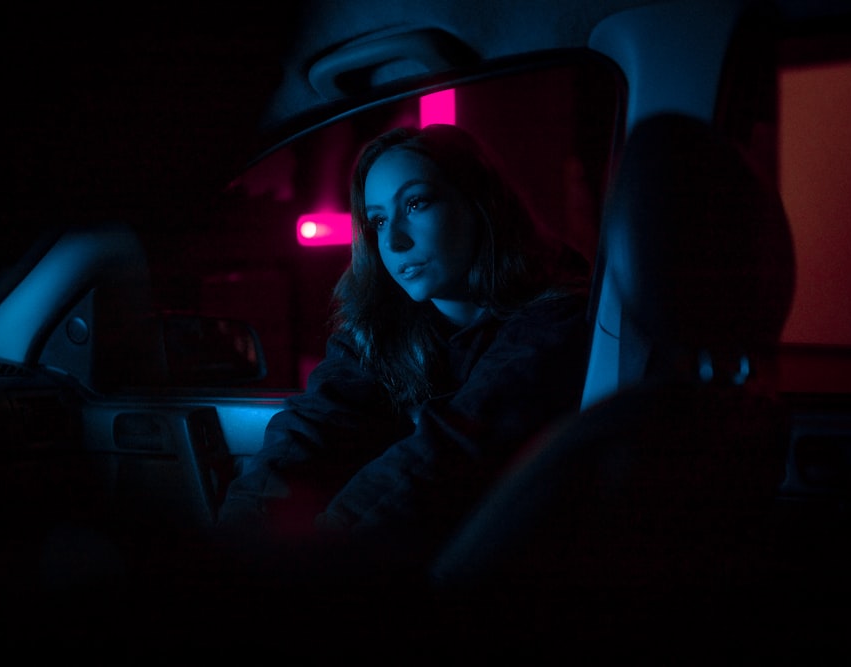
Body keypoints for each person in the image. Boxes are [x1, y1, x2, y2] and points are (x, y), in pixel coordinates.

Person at [216, 123, 591, 569]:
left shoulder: (555, 318)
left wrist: (319, 556)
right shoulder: (379, 328)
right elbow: (312, 426)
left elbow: (452, 446)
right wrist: (234, 546)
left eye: (416, 203)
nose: (393, 241)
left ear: (478, 204)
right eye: (377, 220)